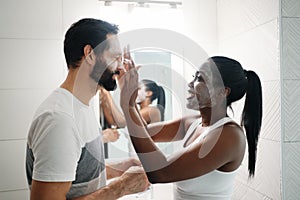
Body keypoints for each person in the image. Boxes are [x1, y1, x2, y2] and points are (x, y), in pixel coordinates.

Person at [25, 18, 149, 200]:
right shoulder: (59, 119)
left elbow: (73, 171)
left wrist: (124, 165)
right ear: (90, 54)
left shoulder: (81, 107)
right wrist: (120, 188)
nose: (120, 67)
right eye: (115, 57)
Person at [120, 54, 262, 199]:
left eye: (199, 78)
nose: (190, 84)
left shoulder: (229, 136)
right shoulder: (194, 122)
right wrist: (128, 94)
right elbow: (144, 134)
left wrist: (128, 105)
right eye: (194, 77)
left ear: (222, 92)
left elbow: (160, 173)